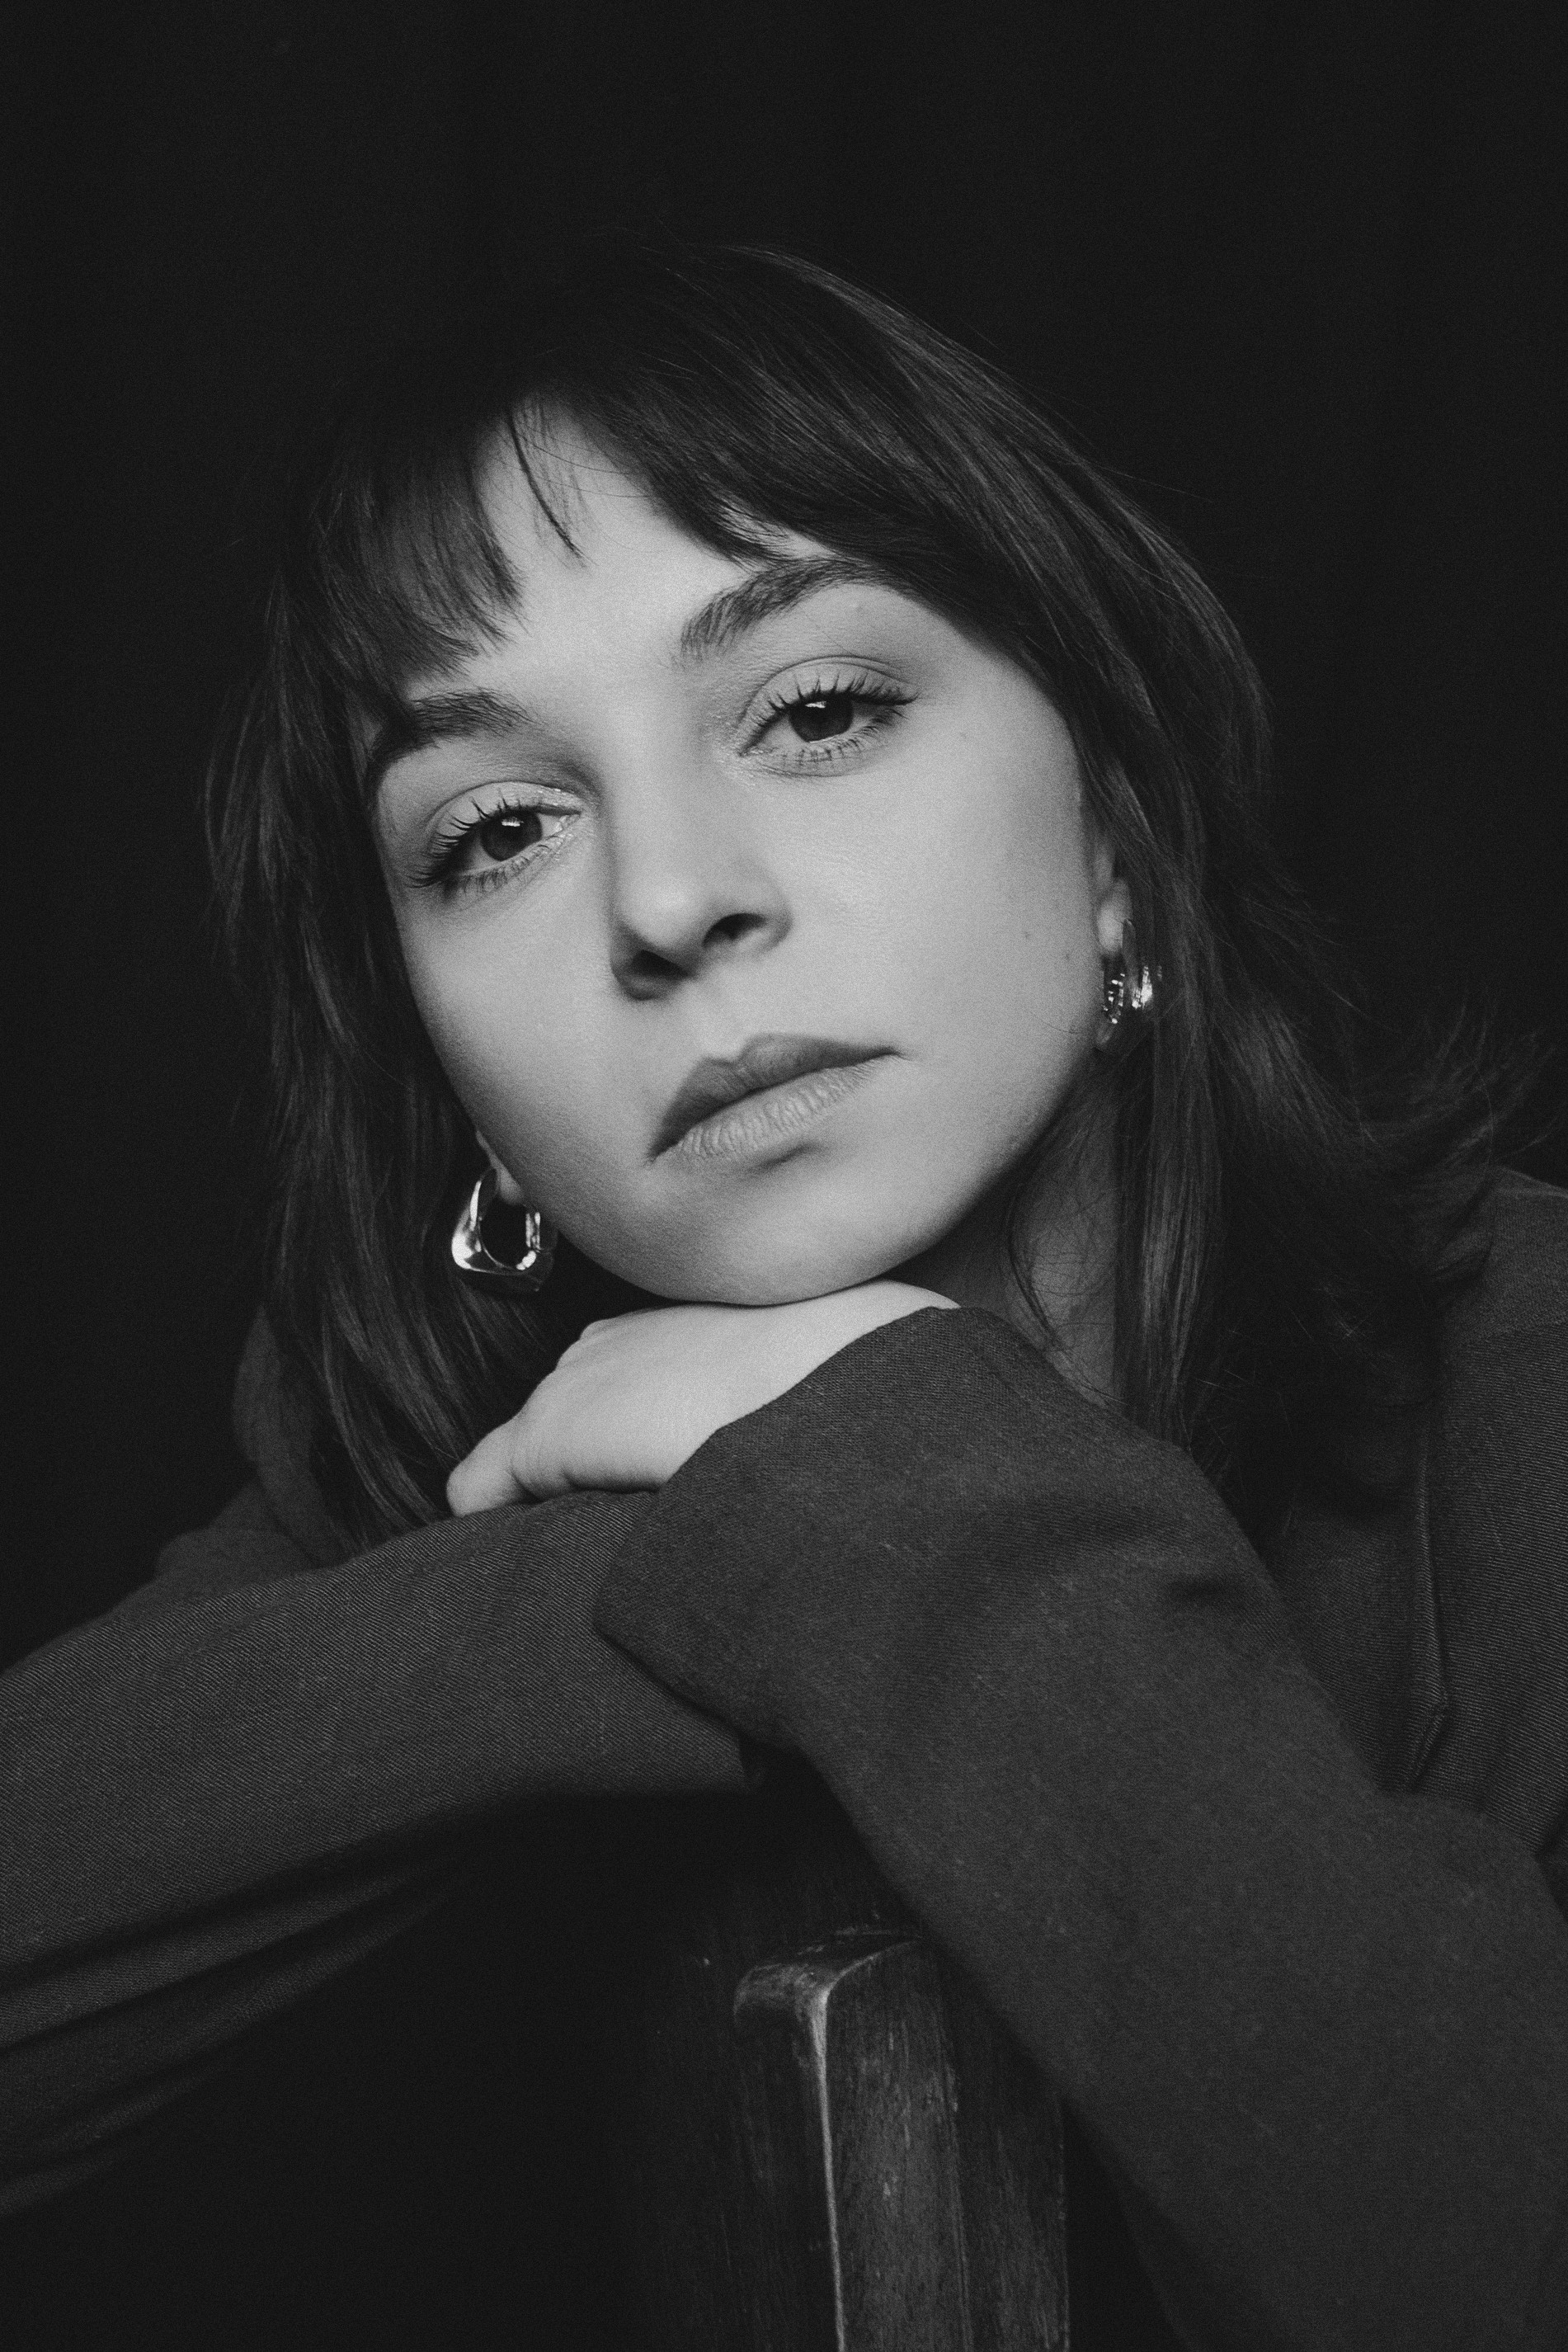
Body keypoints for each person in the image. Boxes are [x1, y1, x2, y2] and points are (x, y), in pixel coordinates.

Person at [3, 233, 1566, 2351]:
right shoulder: (437, 1460)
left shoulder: (1527, 1394)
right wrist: (727, 1540)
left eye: (814, 711)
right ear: (447, 1070)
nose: (669, 898)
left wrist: (894, 1470)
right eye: (496, 831)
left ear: (1116, 832)